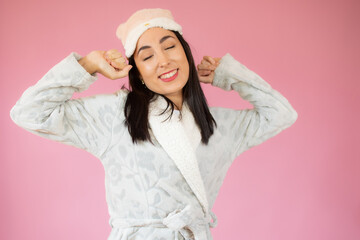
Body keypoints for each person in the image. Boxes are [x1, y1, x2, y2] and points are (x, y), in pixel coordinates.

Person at [10, 8, 298, 240]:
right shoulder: (116, 115)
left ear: (185, 52)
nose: (163, 61)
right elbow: (29, 112)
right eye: (147, 56)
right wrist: (87, 65)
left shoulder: (219, 125)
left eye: (170, 47)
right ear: (138, 72)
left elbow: (281, 114)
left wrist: (232, 75)